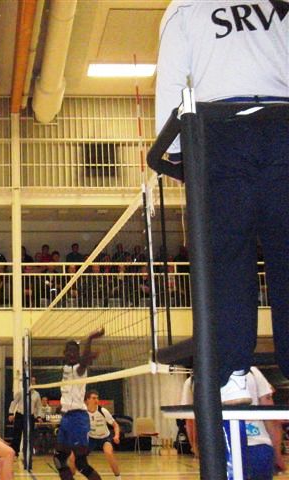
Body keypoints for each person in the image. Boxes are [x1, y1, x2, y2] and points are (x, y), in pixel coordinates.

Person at [155, 0, 289, 404]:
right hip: (282, 125)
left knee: (228, 260)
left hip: (222, 132)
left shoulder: (185, 7)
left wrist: (175, 150)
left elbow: (172, 80)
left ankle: (232, 372)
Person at [181, 368, 287, 479]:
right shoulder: (252, 371)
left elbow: (192, 422)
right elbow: (269, 415)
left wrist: (198, 450)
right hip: (259, 448)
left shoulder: (198, 377)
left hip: (222, 451)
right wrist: (277, 453)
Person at [53, 328, 105, 480]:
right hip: (66, 418)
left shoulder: (79, 369)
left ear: (78, 354)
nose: (71, 354)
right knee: (59, 459)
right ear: (64, 353)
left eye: (74, 352)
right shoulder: (65, 369)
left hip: (78, 419)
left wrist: (89, 339)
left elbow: (84, 362)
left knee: (81, 463)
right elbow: (68, 391)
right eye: (68, 351)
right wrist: (63, 405)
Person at [84, 390, 121, 480]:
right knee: (78, 456)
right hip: (91, 438)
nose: (96, 400)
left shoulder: (103, 411)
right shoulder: (83, 413)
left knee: (108, 453)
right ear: (87, 400)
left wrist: (116, 436)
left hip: (105, 438)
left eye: (97, 398)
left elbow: (115, 425)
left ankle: (118, 477)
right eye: (93, 398)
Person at [7, 376, 42, 457]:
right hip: (20, 416)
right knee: (17, 435)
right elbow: (14, 402)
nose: (32, 383)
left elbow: (39, 407)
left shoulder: (37, 394)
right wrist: (11, 413)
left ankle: (27, 453)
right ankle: (14, 453)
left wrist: (39, 416)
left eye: (34, 381)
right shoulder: (21, 392)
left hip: (30, 417)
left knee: (29, 436)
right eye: (31, 381)